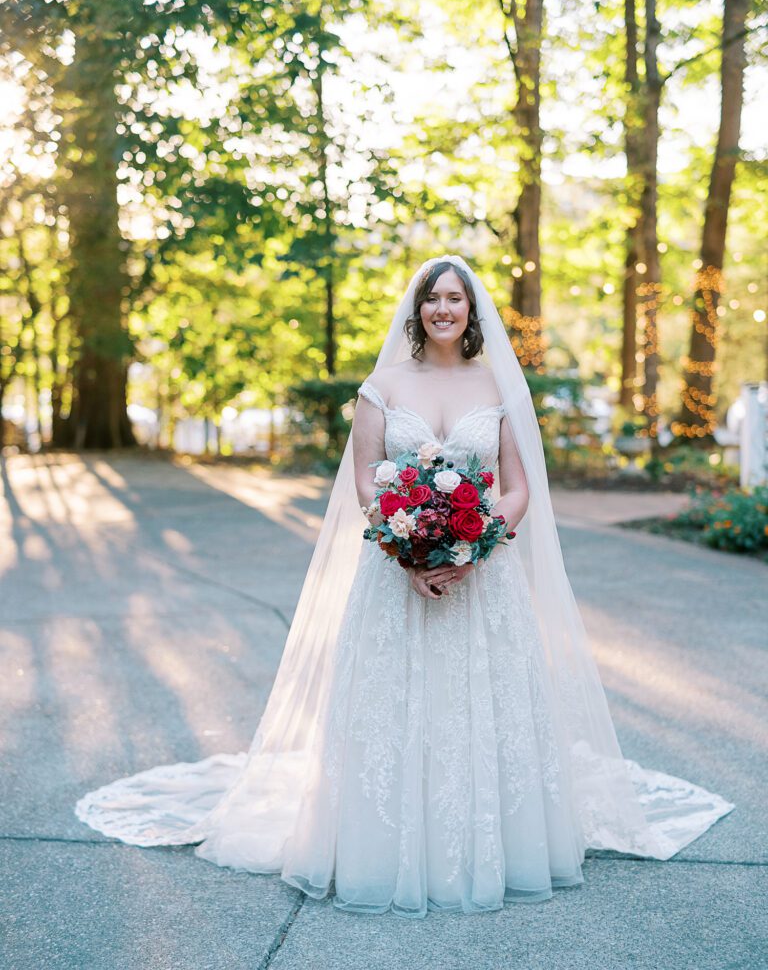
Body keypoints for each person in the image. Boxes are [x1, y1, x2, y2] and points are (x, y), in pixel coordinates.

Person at [74, 254, 734, 918]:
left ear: (472, 312)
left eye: (456, 298)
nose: (444, 309)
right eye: (432, 299)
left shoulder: (498, 386)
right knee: (393, 706)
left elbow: (518, 486)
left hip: (484, 577)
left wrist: (475, 548)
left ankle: (490, 840)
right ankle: (380, 843)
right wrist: (408, 548)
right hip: (395, 573)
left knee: (482, 701)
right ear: (416, 310)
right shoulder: (382, 386)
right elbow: (366, 480)